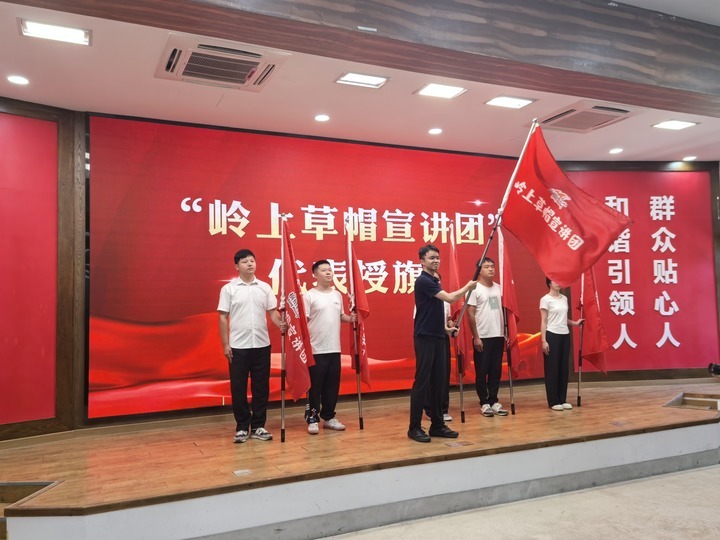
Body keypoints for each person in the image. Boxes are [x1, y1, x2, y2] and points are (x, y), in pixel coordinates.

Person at [409, 244, 476, 443]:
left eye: (437, 257)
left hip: (439, 336)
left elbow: (434, 312)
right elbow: (450, 298)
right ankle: (414, 427)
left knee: (439, 382)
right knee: (423, 382)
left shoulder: (435, 281)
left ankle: (437, 425)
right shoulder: (423, 281)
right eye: (431, 258)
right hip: (425, 337)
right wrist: (467, 287)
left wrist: (446, 329)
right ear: (422, 261)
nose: (436, 261)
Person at [218, 249, 285, 443]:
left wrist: (281, 324)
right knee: (238, 388)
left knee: (261, 387)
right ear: (236, 266)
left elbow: (272, 312)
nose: (249, 264)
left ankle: (258, 426)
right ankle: (241, 427)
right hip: (238, 346)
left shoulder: (264, 288)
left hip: (262, 345)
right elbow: (222, 317)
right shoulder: (229, 289)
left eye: (252, 261)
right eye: (245, 261)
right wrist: (225, 344)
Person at [303, 259, 356, 435]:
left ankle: (329, 417)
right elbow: (303, 322)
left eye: (330, 270)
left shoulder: (337, 295)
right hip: (316, 349)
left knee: (332, 386)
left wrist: (352, 318)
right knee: (315, 387)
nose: (328, 273)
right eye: (324, 270)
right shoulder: (309, 296)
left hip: (334, 348)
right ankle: (312, 418)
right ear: (315, 274)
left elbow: (341, 316)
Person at [467, 257, 508, 418]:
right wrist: (476, 337)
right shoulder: (474, 288)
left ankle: (494, 400)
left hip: (498, 334)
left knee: (495, 370)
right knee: (482, 371)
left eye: (492, 266)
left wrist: (506, 332)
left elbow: (505, 311)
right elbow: (470, 314)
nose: (491, 269)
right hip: (482, 336)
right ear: (479, 270)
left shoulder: (499, 288)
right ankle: (484, 402)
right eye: (486, 266)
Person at [539, 277, 584, 411]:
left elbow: (563, 319)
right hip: (552, 335)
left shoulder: (564, 298)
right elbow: (544, 321)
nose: (558, 283)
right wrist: (543, 340)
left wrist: (575, 323)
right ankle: (553, 401)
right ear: (549, 283)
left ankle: (562, 399)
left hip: (565, 335)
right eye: (555, 281)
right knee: (552, 368)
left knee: (563, 368)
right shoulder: (545, 299)